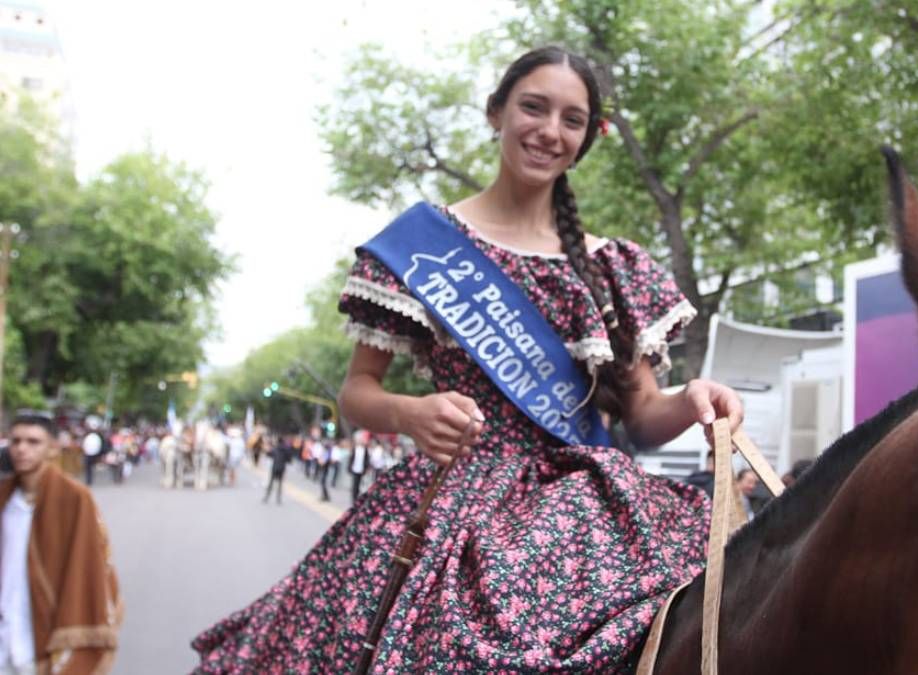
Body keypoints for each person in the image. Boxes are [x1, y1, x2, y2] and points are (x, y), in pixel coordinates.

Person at [193, 46, 742, 672]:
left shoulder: (613, 266)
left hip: (587, 512)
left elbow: (642, 415)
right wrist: (410, 412)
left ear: (588, 137)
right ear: (496, 113)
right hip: (455, 499)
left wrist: (693, 400)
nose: (549, 131)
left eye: (572, 119)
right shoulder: (424, 248)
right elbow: (357, 393)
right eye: (533, 108)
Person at [0, 413, 121, 674]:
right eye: (16, 441)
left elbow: (91, 565)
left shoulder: (75, 499)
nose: (22, 449)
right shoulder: (4, 497)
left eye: (33, 442)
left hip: (41, 635)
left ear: (53, 448)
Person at [262, 436, 291, 506]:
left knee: (271, 483)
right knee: (280, 484)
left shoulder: (275, 448)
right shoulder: (286, 449)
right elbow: (289, 460)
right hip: (282, 468)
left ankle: (267, 497)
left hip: (275, 467)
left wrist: (267, 450)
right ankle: (278, 498)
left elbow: (268, 454)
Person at [348, 432, 369, 502]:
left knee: (359, 484)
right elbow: (351, 458)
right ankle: (353, 498)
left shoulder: (365, 450)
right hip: (355, 468)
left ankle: (356, 496)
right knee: (354, 484)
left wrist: (366, 468)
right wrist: (350, 467)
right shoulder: (355, 449)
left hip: (361, 469)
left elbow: (366, 459)